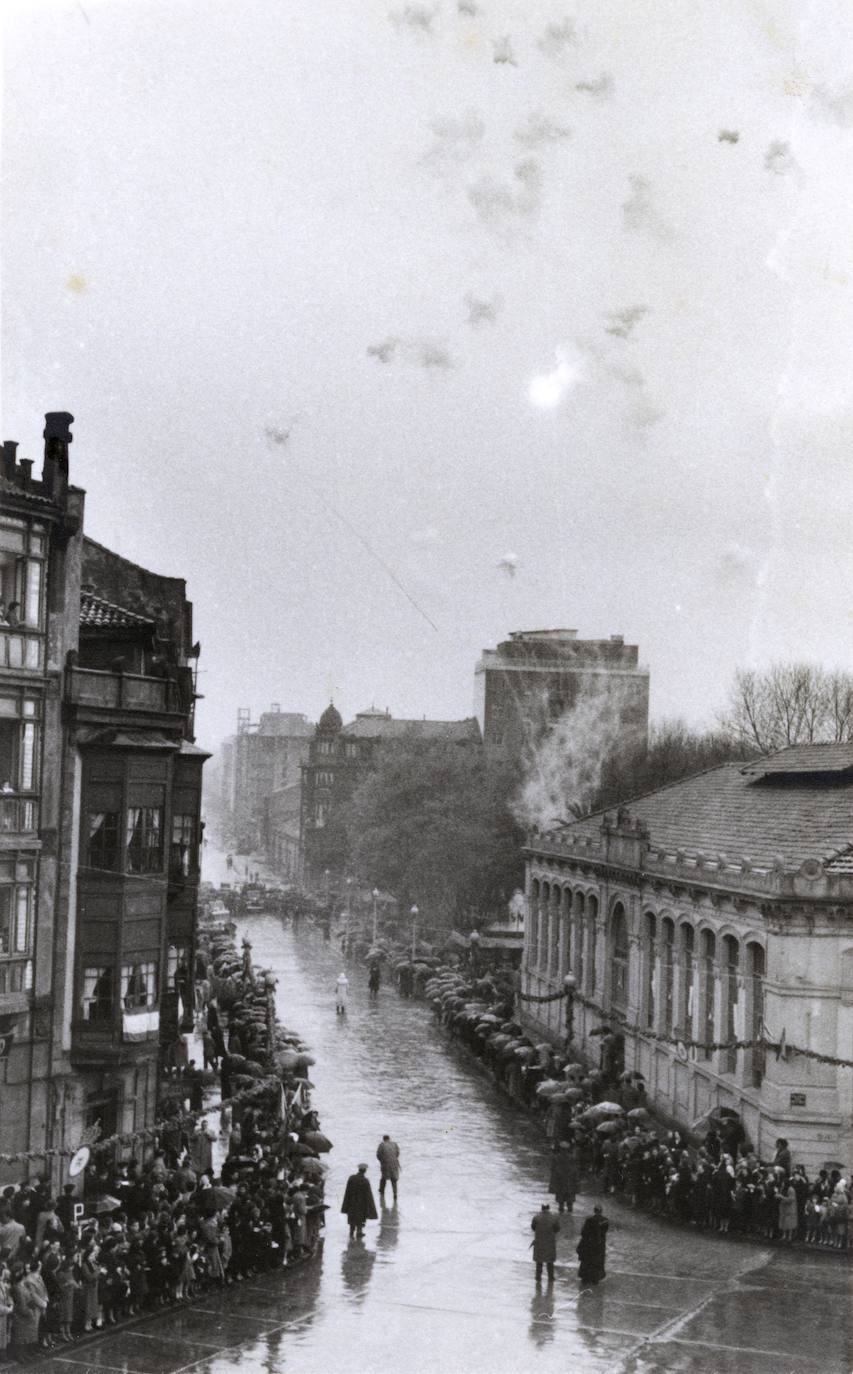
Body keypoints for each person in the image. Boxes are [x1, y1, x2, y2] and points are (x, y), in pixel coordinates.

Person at [341, 1164, 378, 1240]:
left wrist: (346, 1204)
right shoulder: (365, 1181)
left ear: (358, 1169)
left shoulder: (351, 1178)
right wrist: (370, 1208)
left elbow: (347, 1191)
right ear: (365, 1171)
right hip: (361, 1203)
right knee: (360, 1217)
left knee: (352, 1216)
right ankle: (359, 1232)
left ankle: (351, 1232)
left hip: (352, 1201)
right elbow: (368, 1195)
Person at [576, 1204, 609, 1285]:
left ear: (594, 1210)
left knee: (587, 1261)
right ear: (601, 1211)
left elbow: (584, 1232)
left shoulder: (589, 1220)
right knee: (597, 1262)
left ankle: (585, 1278)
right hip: (599, 1245)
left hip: (589, 1244)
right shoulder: (605, 1220)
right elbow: (604, 1232)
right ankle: (595, 1278)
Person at [530, 1203, 560, 1285]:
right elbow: (557, 1229)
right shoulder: (554, 1218)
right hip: (549, 1242)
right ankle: (551, 1277)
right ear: (549, 1208)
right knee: (550, 1261)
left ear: (542, 1208)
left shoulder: (536, 1218)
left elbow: (533, 1228)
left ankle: (538, 1277)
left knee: (539, 1261)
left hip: (539, 1241)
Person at [549, 1140, 579, 1214]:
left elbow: (552, 1169)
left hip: (560, 1181)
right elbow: (575, 1169)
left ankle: (561, 1215)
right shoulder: (572, 1157)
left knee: (561, 1201)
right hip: (569, 1181)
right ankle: (569, 1215)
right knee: (570, 1201)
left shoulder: (556, 1157)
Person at [376, 1135, 401, 1204]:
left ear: (383, 1139)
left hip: (385, 1164)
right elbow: (398, 1153)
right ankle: (395, 1194)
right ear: (389, 1139)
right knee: (394, 1180)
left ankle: (382, 1191)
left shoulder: (381, 1145)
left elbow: (378, 1155)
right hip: (394, 1164)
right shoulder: (395, 1144)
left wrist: (382, 1161)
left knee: (383, 1178)